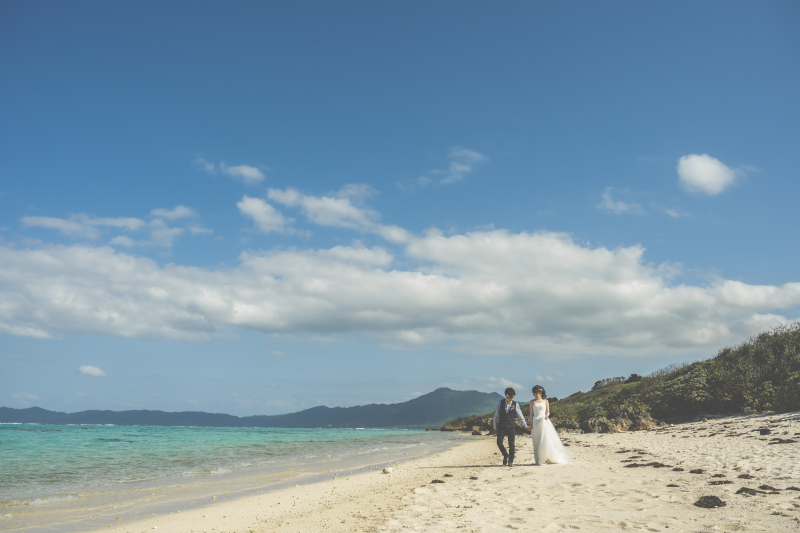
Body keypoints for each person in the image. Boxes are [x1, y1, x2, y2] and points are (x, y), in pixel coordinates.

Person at [529, 385, 572, 465]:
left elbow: (548, 411)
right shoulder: (532, 402)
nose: (534, 395)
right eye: (533, 393)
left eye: (536, 393)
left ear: (540, 392)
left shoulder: (546, 401)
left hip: (543, 421)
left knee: (544, 439)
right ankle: (538, 459)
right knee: (536, 441)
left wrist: (547, 415)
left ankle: (543, 459)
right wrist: (531, 424)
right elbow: (531, 414)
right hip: (535, 422)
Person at [492, 387, 529, 467]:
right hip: (501, 425)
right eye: (508, 397)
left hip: (511, 426)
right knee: (499, 442)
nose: (510, 399)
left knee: (511, 444)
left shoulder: (515, 404)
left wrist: (525, 426)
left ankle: (510, 461)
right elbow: (497, 414)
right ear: (505, 395)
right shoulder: (500, 402)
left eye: (512, 397)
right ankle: (505, 454)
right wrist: (494, 423)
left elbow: (521, 416)